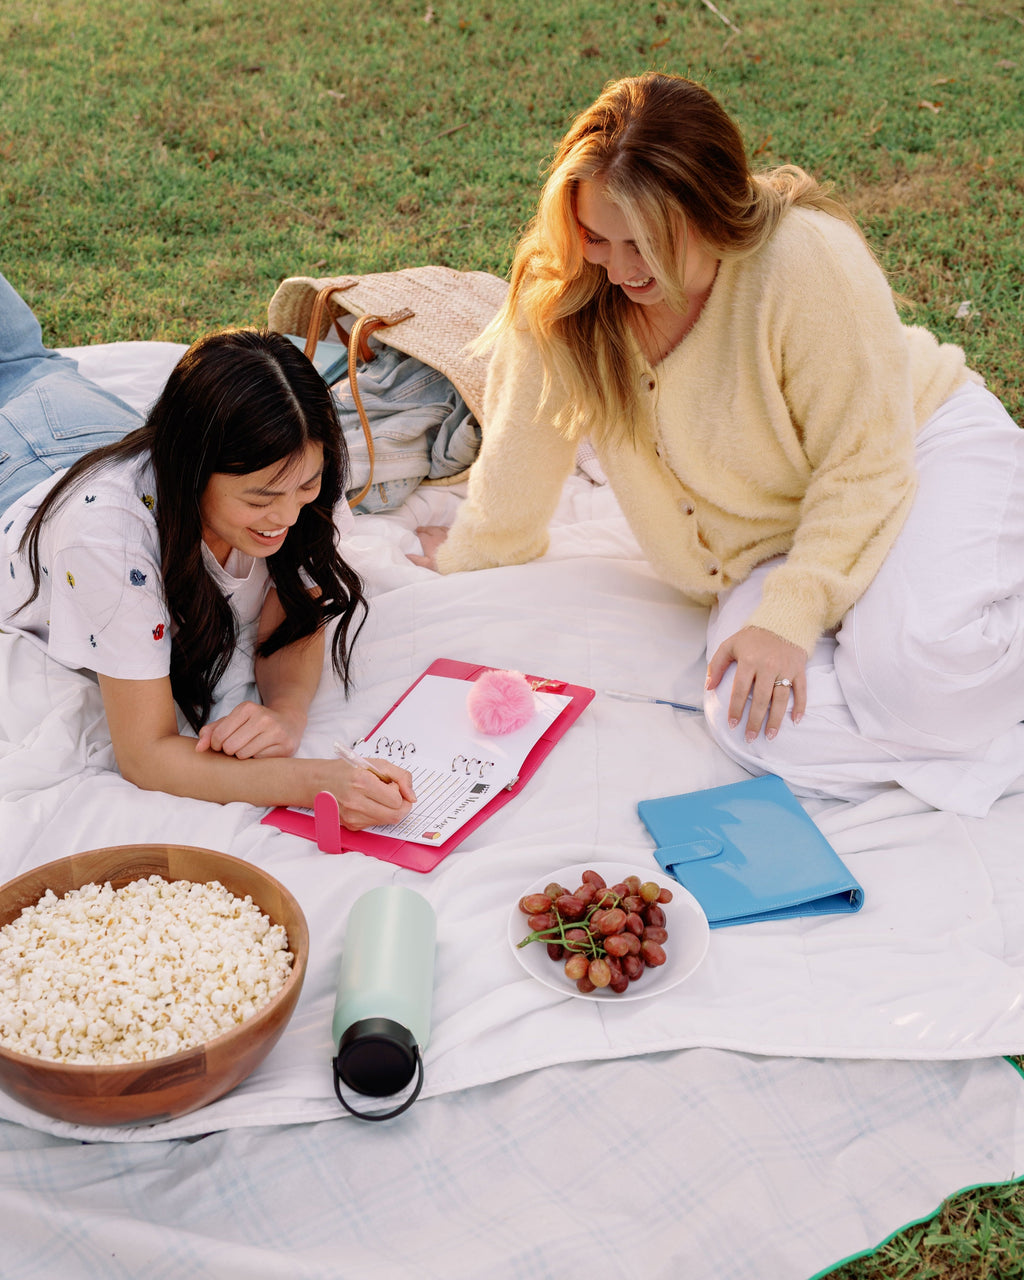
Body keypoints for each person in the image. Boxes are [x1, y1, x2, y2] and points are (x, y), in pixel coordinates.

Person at [415, 72, 1024, 816]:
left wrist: (790, 616)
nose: (621, 268)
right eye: (597, 236)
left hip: (920, 451)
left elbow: (866, 461)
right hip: (773, 539)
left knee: (918, 673)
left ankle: (944, 701)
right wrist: (467, 560)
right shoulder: (573, 295)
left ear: (713, 213)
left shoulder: (804, 261)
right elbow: (521, 458)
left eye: (646, 243)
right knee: (752, 723)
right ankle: (979, 737)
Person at [0, 271, 415, 829]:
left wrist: (286, 717)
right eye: (261, 499)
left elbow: (293, 603)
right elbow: (145, 755)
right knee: (17, 362)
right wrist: (312, 782)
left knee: (24, 356)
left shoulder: (293, 465)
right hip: (22, 470)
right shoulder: (107, 541)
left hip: (87, 428)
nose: (288, 518)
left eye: (306, 489)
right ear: (191, 469)